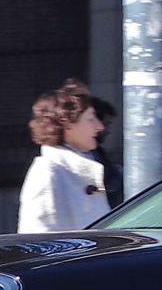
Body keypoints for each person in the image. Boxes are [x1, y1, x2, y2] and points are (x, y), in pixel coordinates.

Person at [17, 79, 112, 233]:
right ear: (67, 124)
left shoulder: (80, 168)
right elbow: (37, 241)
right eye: (90, 119)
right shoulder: (48, 172)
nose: (99, 127)